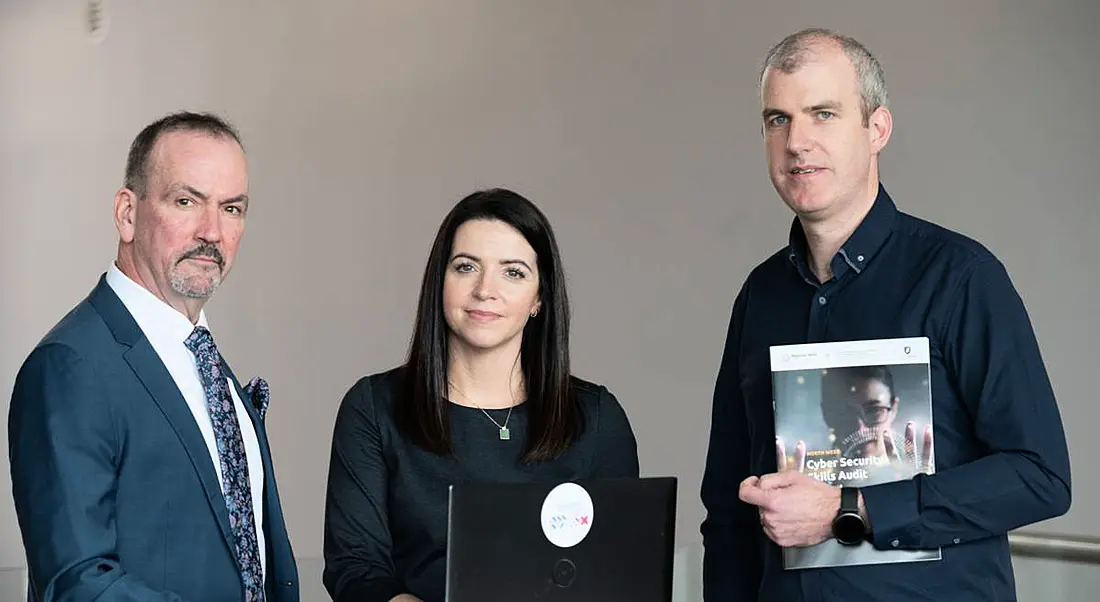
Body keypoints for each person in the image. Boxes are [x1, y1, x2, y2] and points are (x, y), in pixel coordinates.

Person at [699, 28, 1071, 601]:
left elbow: (1039, 476)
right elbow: (728, 509)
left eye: (823, 114)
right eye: (779, 119)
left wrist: (854, 510)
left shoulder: (960, 277)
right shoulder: (760, 296)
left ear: (877, 129)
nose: (797, 141)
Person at [8, 111, 299, 602]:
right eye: (187, 201)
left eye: (232, 208)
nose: (212, 230)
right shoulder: (70, 366)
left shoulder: (206, 363)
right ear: (127, 213)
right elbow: (79, 584)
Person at [321, 188, 640, 602]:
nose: (485, 290)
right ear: (441, 281)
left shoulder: (596, 419)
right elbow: (356, 566)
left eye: (513, 272)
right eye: (466, 267)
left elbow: (622, 572)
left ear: (539, 298)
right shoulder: (374, 408)